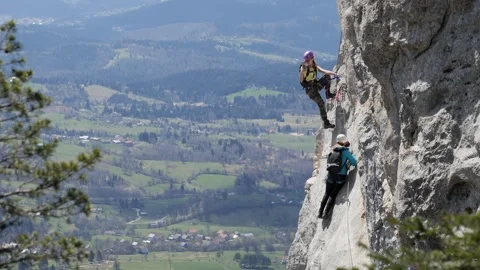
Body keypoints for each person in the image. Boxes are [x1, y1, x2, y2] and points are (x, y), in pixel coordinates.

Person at [318, 134, 357, 218]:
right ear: (345, 141)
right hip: (340, 177)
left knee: (327, 193)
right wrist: (352, 155)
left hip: (330, 176)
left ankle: (320, 212)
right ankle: (326, 213)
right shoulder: (345, 152)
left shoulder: (333, 150)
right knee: (333, 194)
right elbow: (354, 162)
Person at [299, 50, 339, 129]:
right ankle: (326, 123)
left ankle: (329, 94)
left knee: (327, 77)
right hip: (310, 90)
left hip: (315, 86)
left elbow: (324, 71)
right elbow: (301, 80)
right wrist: (302, 71)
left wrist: (334, 73)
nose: (307, 61)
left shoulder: (314, 66)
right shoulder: (304, 67)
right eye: (306, 60)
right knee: (321, 104)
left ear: (312, 58)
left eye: (308, 60)